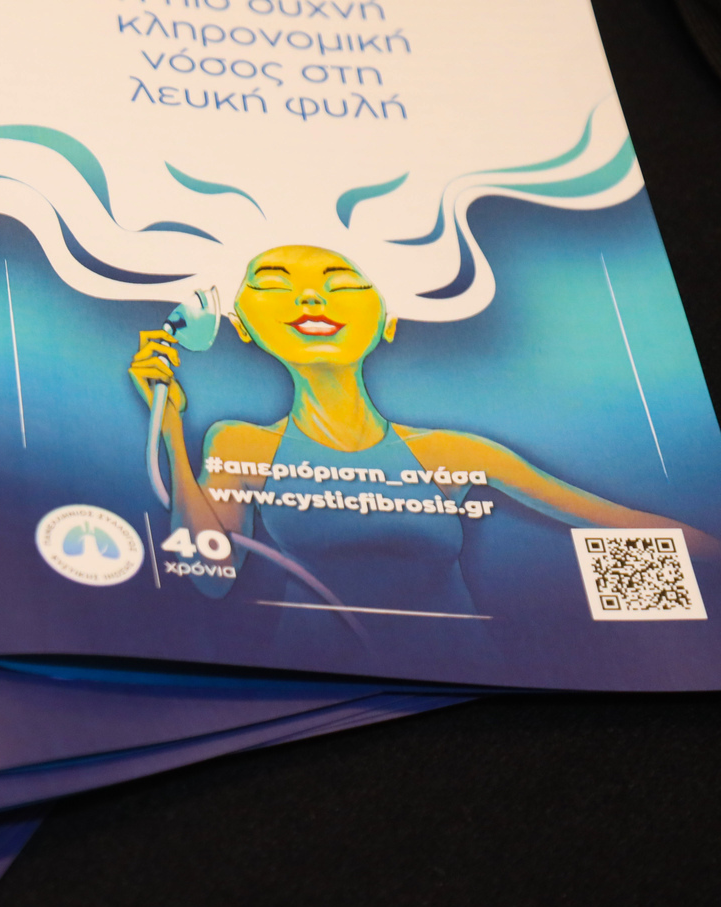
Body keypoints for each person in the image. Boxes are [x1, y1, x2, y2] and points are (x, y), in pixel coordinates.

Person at [128, 243, 719, 627]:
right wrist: (172, 433)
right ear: (243, 328)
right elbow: (210, 578)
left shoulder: (454, 454)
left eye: (342, 282)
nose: (310, 296)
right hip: (312, 681)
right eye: (275, 283)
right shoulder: (239, 445)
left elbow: (614, 524)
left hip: (464, 686)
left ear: (388, 322)